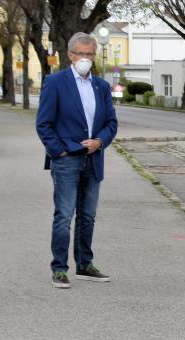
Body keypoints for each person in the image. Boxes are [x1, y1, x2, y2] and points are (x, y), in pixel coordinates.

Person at [36, 32, 118, 289]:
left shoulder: (102, 87)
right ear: (71, 55)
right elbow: (44, 124)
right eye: (81, 54)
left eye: (89, 54)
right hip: (67, 159)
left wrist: (100, 142)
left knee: (88, 216)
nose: (85, 58)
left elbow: (111, 123)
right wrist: (59, 151)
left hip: (94, 159)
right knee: (64, 215)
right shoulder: (56, 82)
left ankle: (85, 264)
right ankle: (59, 268)